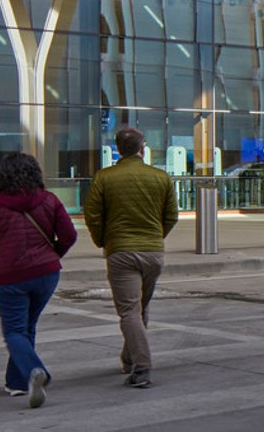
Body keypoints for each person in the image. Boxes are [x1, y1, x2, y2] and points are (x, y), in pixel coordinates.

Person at [0, 152, 76, 408]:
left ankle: (34, 370)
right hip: (46, 275)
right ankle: (18, 383)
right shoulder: (50, 200)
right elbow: (69, 235)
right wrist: (52, 255)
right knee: (27, 327)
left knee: (14, 331)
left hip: (9, 277)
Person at [83, 127, 177, 390]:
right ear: (142, 148)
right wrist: (156, 237)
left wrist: (104, 240)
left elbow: (92, 215)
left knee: (128, 311)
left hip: (121, 251)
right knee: (139, 309)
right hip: (153, 253)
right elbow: (171, 216)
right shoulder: (161, 177)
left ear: (117, 149)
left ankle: (143, 366)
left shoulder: (104, 177)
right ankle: (129, 358)